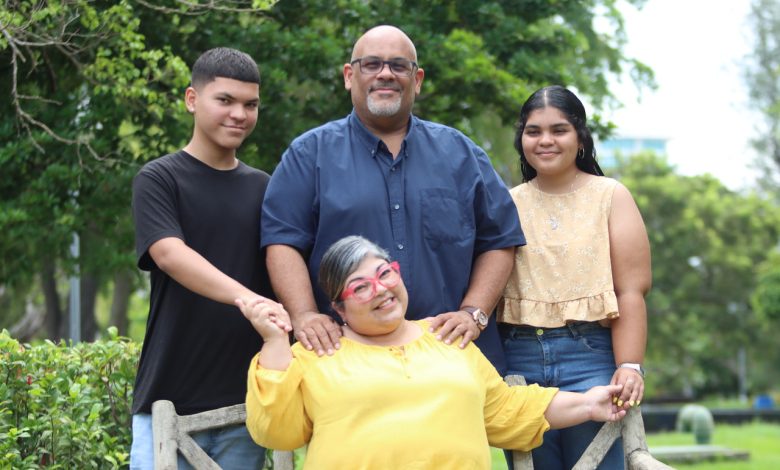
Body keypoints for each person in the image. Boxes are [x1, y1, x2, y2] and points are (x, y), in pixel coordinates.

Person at [261, 25, 523, 372]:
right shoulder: (310, 155)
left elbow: (500, 240)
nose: (385, 74)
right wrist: (305, 314)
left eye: (399, 66)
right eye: (372, 64)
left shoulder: (460, 154)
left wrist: (473, 311)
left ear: (417, 79)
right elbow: (282, 241)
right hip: (347, 364)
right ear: (348, 75)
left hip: (453, 358)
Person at [238, 235, 627, 469]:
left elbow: (508, 410)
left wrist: (589, 405)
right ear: (338, 308)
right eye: (360, 287)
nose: (381, 290)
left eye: (384, 273)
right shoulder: (319, 352)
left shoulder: (446, 338)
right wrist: (274, 342)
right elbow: (276, 431)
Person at [129, 47, 273, 469]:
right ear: (192, 99)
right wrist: (252, 301)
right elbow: (170, 254)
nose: (239, 114)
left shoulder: (266, 188)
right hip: (169, 398)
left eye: (250, 105)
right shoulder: (159, 179)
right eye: (224, 100)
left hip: (245, 402)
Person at [497, 85, 652, 469]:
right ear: (521, 139)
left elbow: (630, 289)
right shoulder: (505, 202)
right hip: (519, 361)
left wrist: (629, 364)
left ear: (580, 137)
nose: (545, 140)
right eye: (533, 131)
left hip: (591, 357)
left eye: (559, 130)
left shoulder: (611, 196)